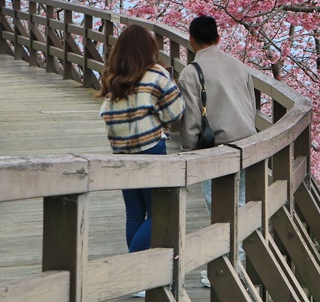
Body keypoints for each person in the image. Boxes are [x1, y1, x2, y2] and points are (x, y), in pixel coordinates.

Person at [177, 15, 257, 287]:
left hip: (217, 149)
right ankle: (238, 262)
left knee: (219, 209)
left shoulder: (191, 71)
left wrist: (188, 151)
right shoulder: (239, 66)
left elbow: (191, 120)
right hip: (248, 144)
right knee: (241, 204)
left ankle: (227, 267)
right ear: (218, 38)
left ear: (191, 40)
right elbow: (251, 108)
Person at [98, 24, 185, 256]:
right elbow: (175, 111)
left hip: (121, 150)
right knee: (159, 212)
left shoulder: (112, 75)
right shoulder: (156, 73)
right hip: (150, 147)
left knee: (135, 213)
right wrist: (160, 116)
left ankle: (137, 274)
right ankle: (133, 268)